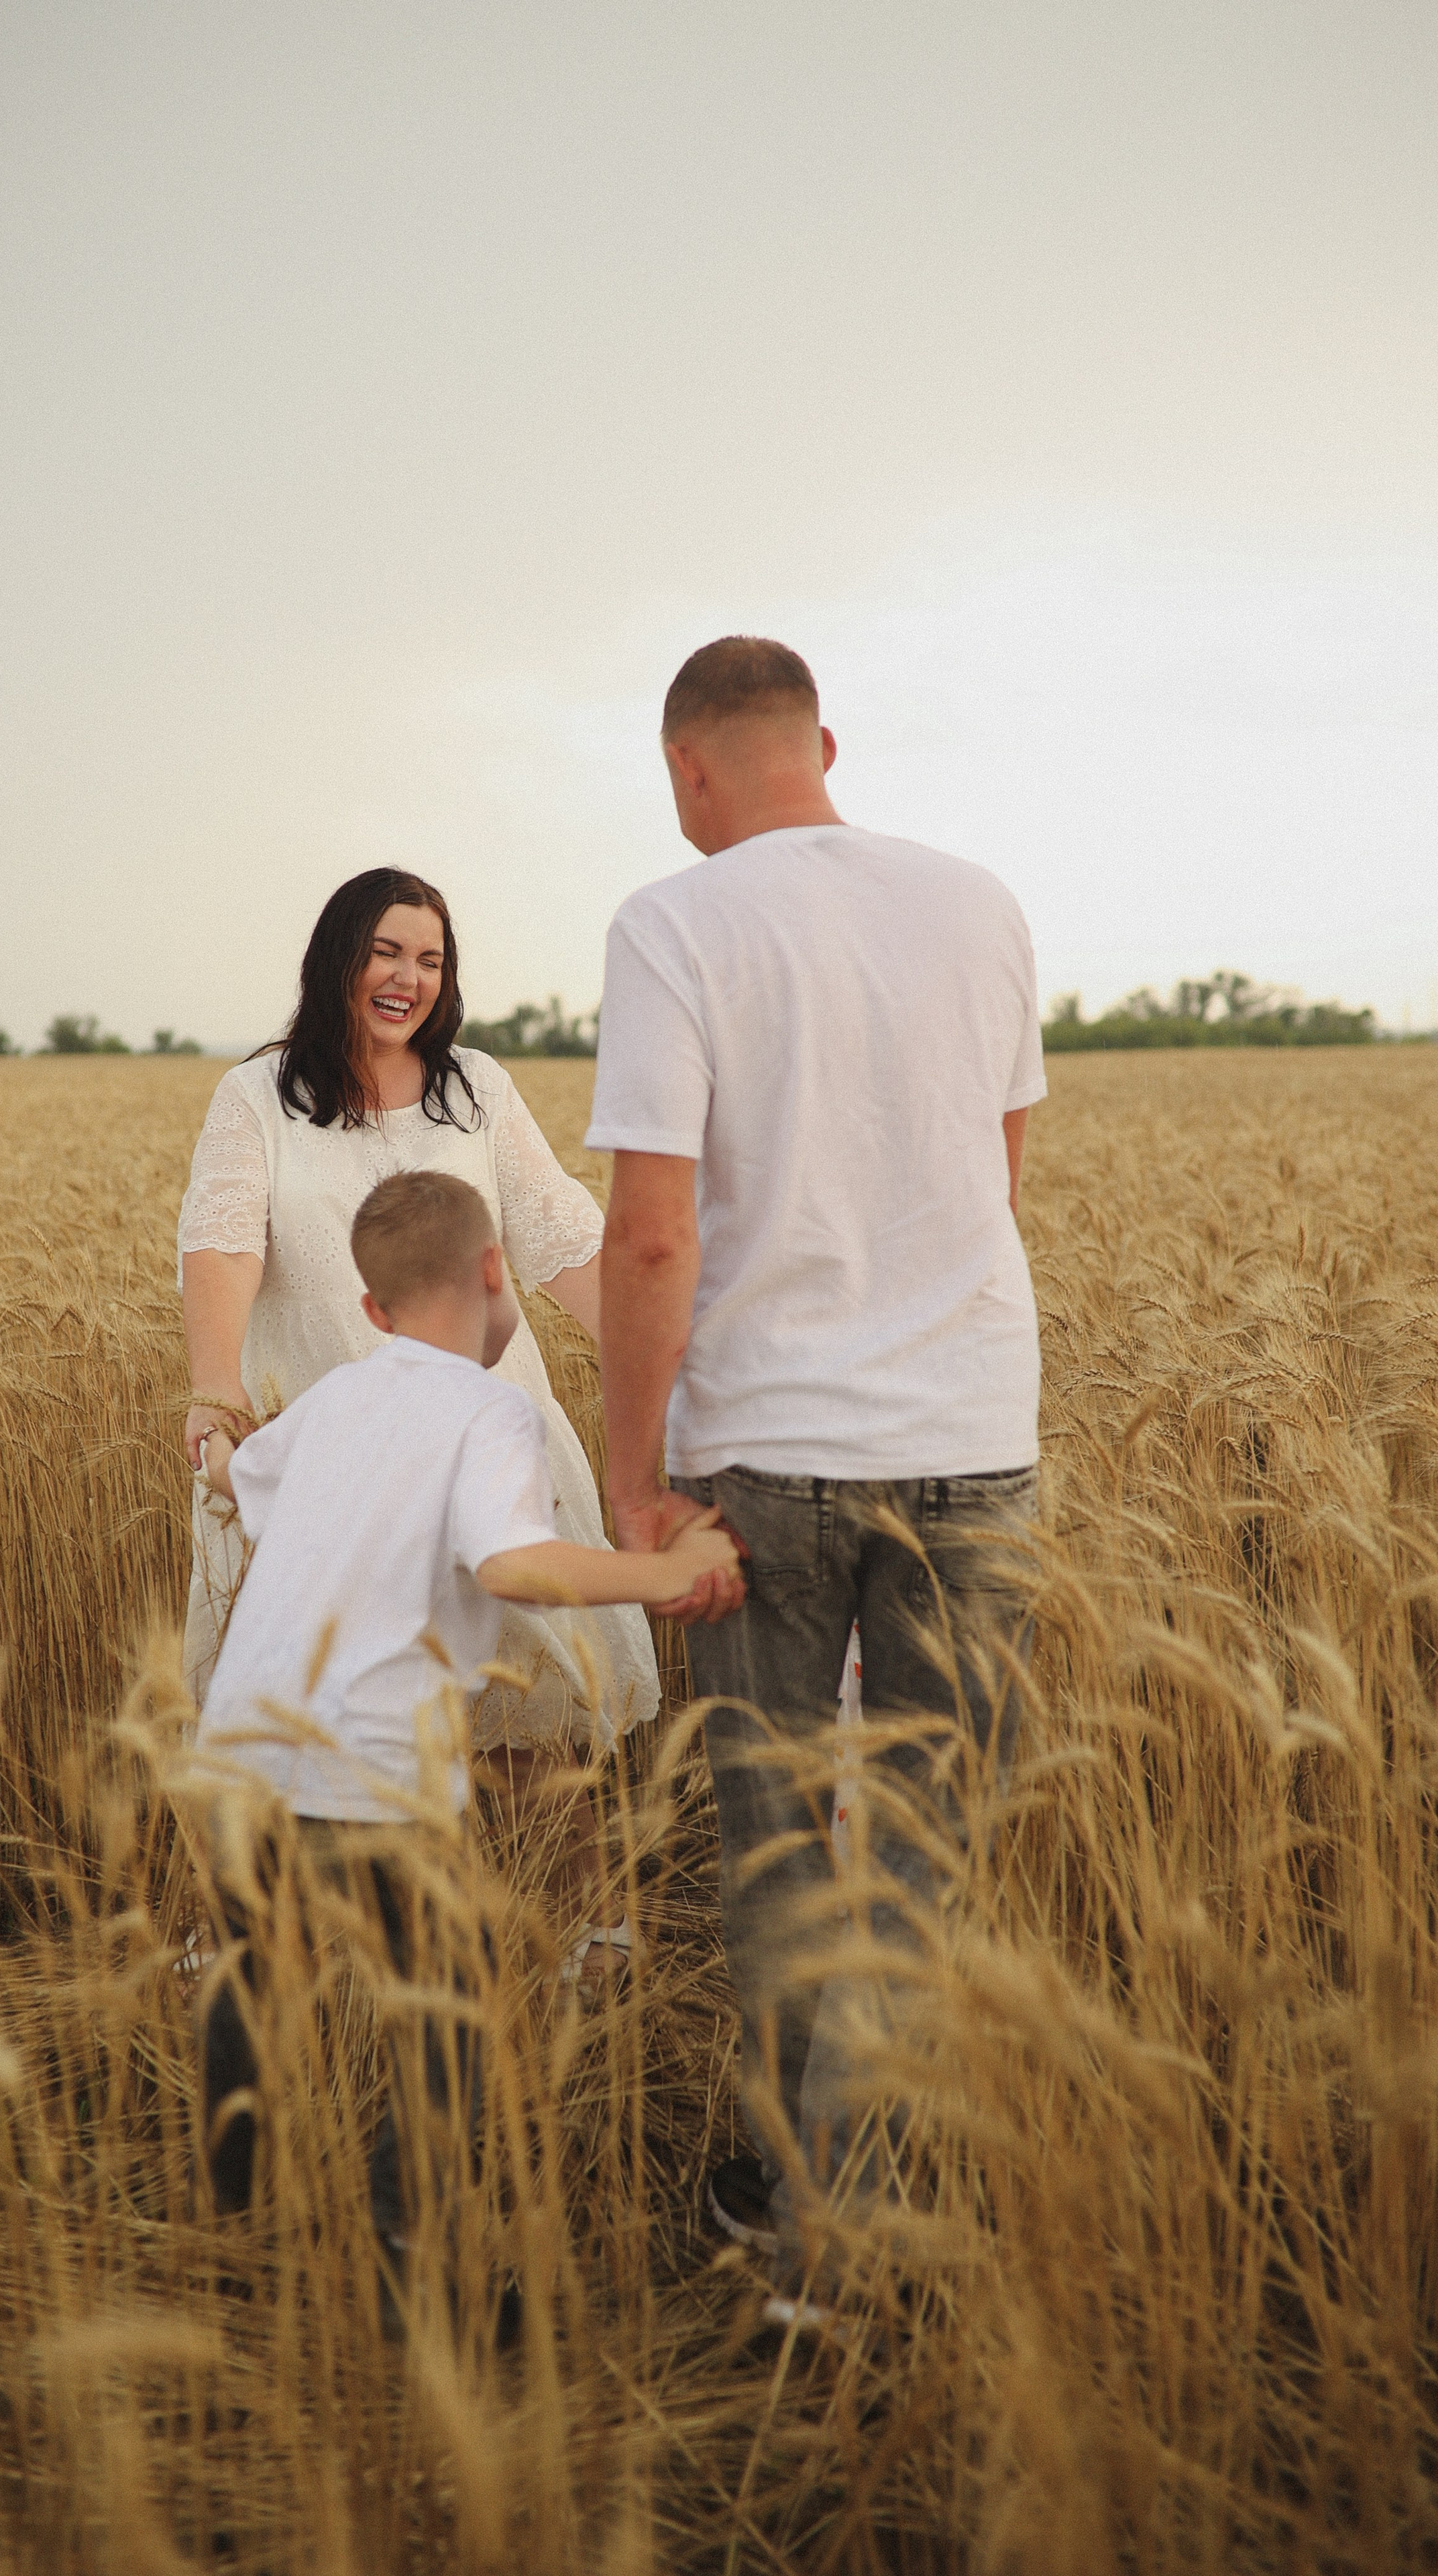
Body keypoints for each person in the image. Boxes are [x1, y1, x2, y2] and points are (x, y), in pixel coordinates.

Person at [587, 636, 1045, 2331]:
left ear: (685, 768)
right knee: (921, 1842)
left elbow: (649, 1231)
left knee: (778, 1842)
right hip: (976, 1441)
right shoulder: (978, 902)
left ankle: (816, 2235)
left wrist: (635, 1484)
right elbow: (994, 1172)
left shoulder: (676, 922)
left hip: (767, 1455)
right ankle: (853, 2189)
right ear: (824, 745)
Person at [188, 1171, 738, 2329]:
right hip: (376, 1772)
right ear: (499, 1278)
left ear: (375, 1315)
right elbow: (511, 1564)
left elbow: (240, 1480)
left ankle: (232, 2212)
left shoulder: (334, 1398)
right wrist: (660, 1577)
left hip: (243, 1752)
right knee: (440, 2016)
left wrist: (215, 1443)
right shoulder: (496, 1413)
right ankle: (418, 2278)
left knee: (255, 1970)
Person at [177, 866, 662, 1982]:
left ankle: (592, 1934)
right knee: (307, 1694)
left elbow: (557, 1243)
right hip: (326, 1439)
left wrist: (670, 1370)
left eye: (431, 959)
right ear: (340, 957)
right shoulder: (260, 1097)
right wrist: (216, 1393)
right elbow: (222, 1240)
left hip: (490, 1432)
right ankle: (276, 1949)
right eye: (388, 952)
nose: (408, 978)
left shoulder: (476, 1088)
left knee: (536, 1699)